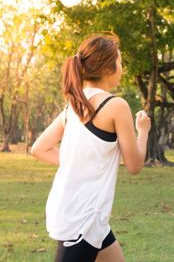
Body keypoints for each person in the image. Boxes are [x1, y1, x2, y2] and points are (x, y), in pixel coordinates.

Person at [31, 33, 151, 262]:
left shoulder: (73, 106)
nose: (122, 68)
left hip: (87, 217)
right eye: (120, 62)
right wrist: (143, 131)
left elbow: (39, 148)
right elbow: (135, 164)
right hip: (81, 222)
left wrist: (79, 161)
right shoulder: (116, 105)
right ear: (107, 68)